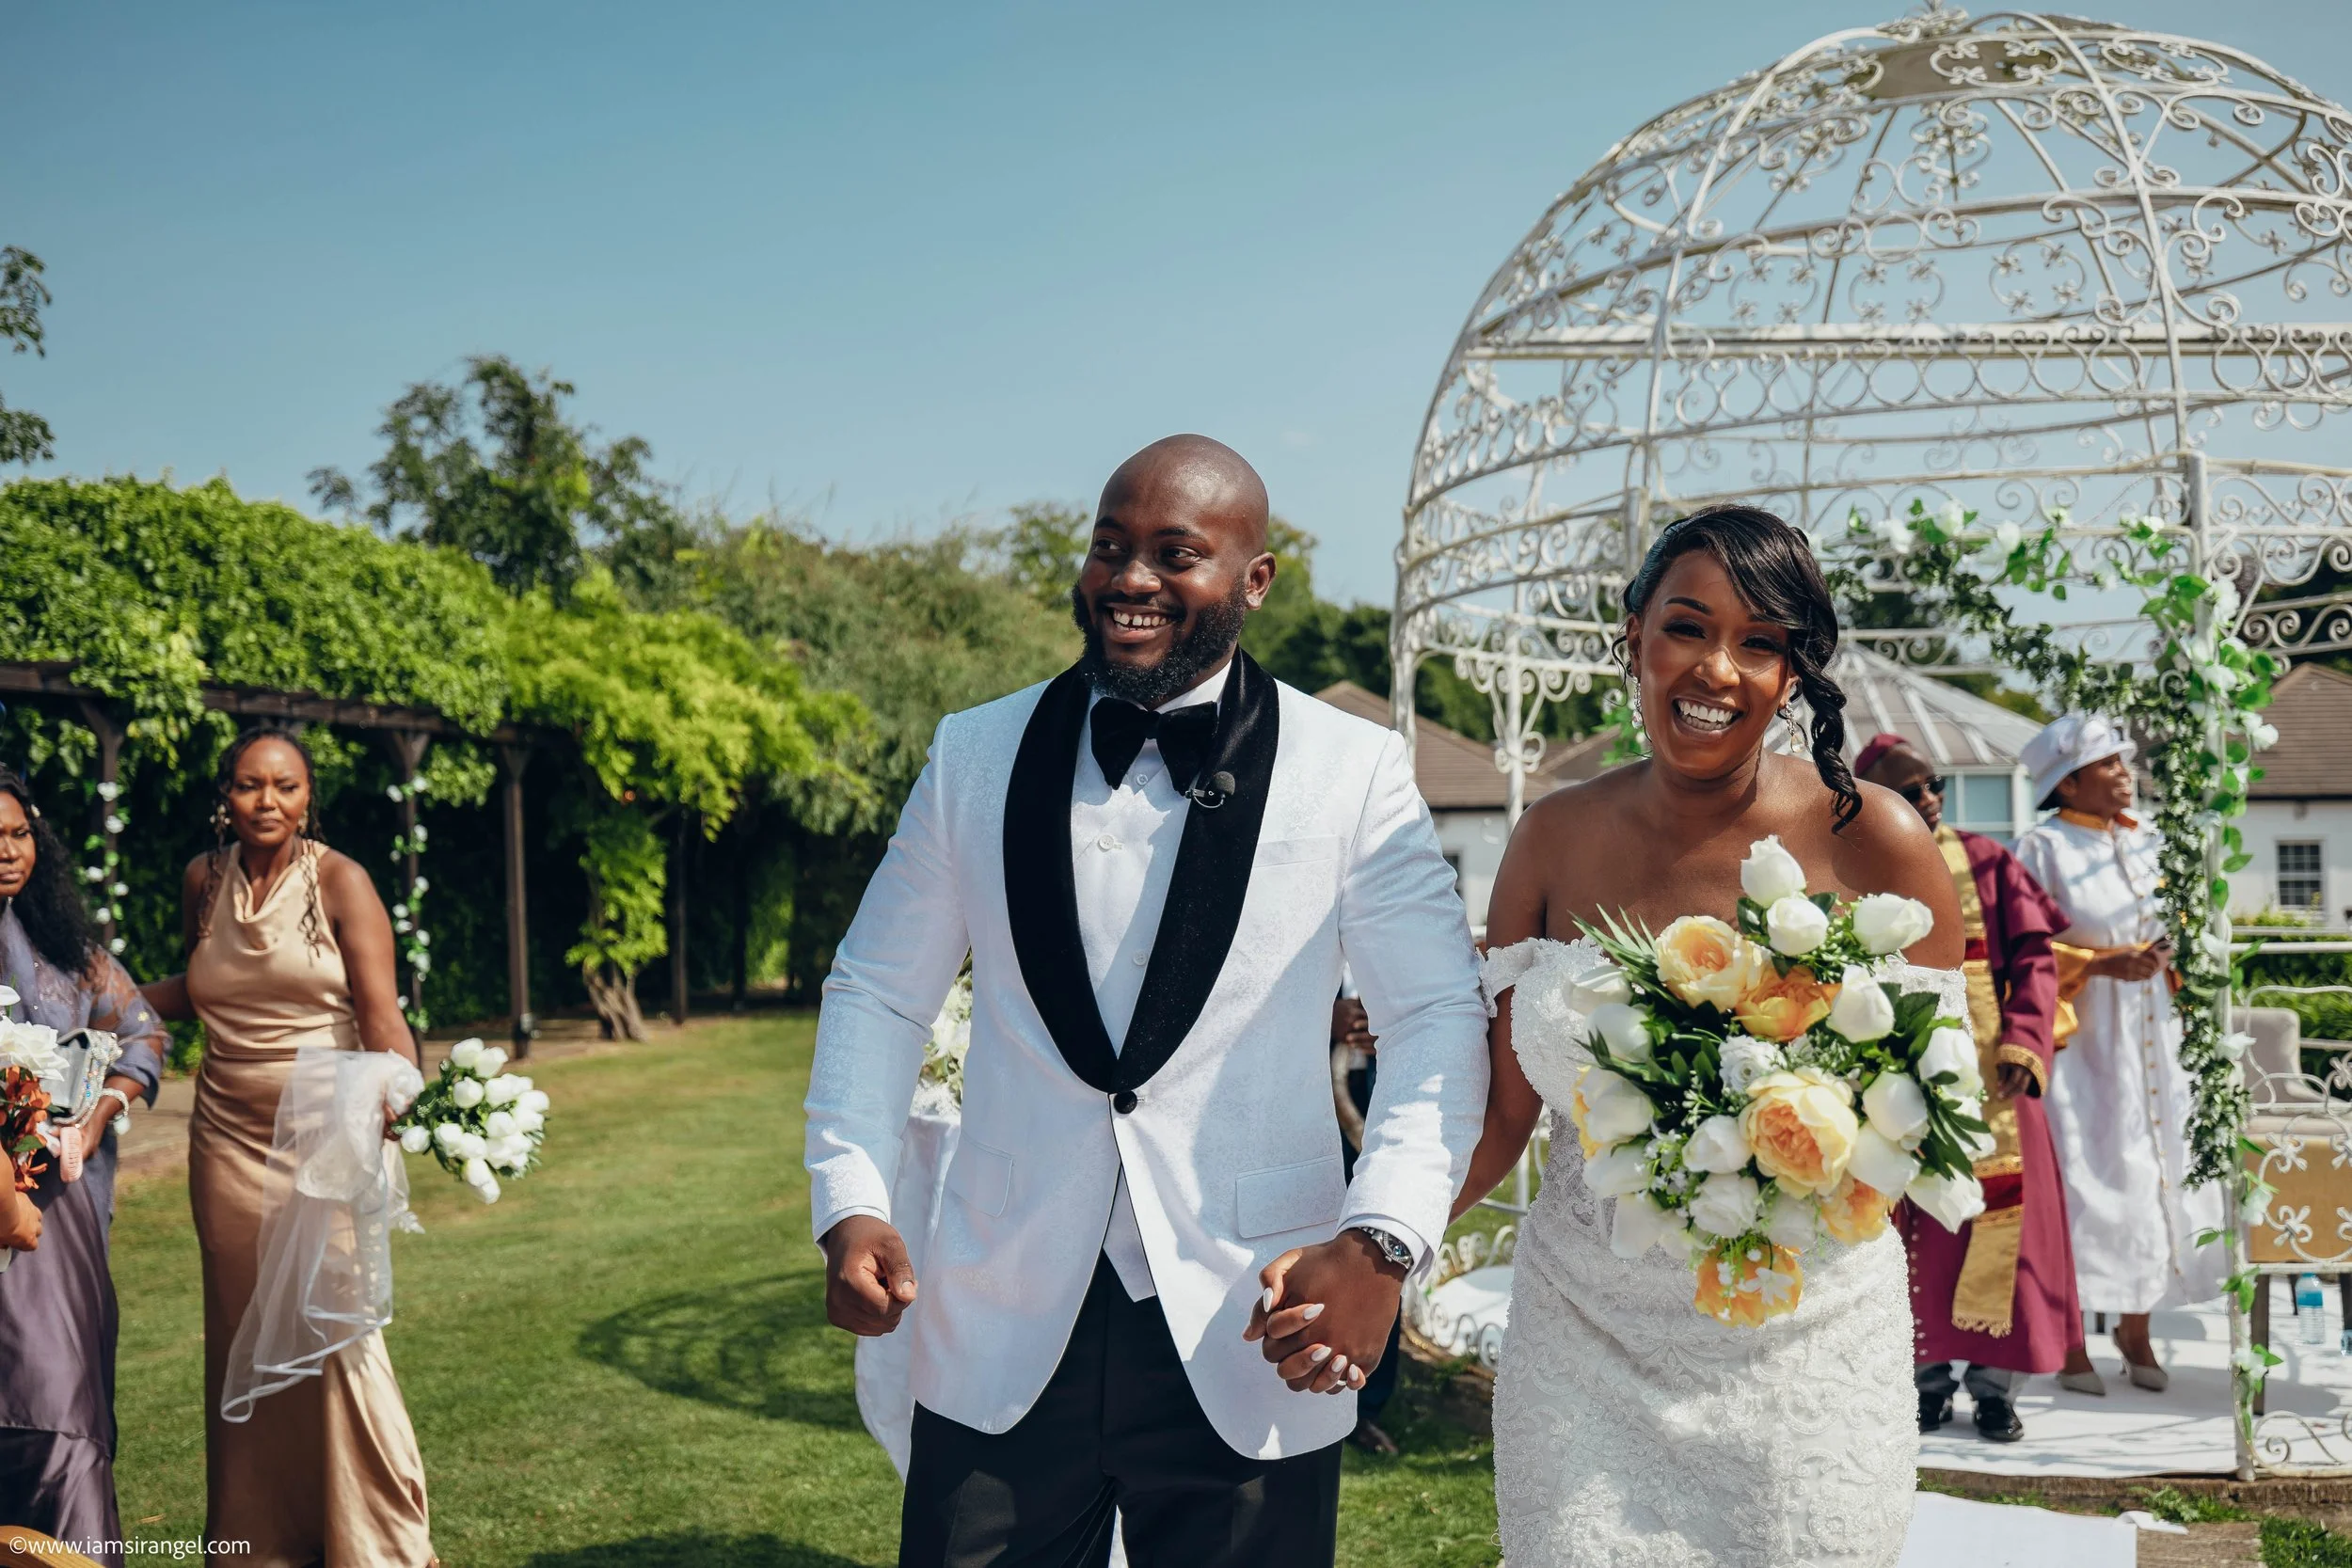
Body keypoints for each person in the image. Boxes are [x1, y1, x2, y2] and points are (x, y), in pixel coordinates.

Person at [805, 434, 1488, 1567]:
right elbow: (877, 989)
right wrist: (851, 1193)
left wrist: (1380, 1243)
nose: (1129, 578)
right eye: (1110, 546)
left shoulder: (1352, 768)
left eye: (1175, 553)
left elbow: (1434, 1018)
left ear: (1254, 580)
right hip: (1002, 1310)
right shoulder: (971, 755)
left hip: (1254, 1318)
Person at [1440, 508, 1966, 1566]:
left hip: (1806, 1349)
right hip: (1582, 1342)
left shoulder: (1879, 839)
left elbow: (1937, 1106)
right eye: (1687, 626)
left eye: (1760, 641)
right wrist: (1369, 1243)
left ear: (1791, 670)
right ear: (1631, 632)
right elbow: (1499, 1114)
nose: (1717, 669)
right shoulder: (1550, 836)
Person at [141, 726, 436, 1567]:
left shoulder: (341, 880)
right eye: (248, 785)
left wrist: (398, 1093)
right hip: (225, 1145)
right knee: (240, 1339)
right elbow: (200, 990)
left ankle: (377, 1540)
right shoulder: (203, 880)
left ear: (309, 796)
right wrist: (89, 994)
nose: (266, 801)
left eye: (286, 786)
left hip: (322, 1141)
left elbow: (383, 1015)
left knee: (336, 1337)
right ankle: (257, 1543)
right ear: (223, 795)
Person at [1855, 736, 2082, 1442]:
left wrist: (2023, 1040)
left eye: (1933, 785)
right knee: (1910, 1233)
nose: (1927, 800)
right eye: (1909, 789)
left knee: (2001, 1231)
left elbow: (2036, 961)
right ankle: (1924, 1383)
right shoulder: (1854, 869)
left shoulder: (1988, 862)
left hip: (1994, 1083)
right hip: (1893, 1082)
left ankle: (1993, 1389)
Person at [2013, 714, 2225, 1393]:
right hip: (2085, 1041)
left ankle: (2137, 1326)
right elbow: (2022, 946)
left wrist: (2170, 953)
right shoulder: (2039, 849)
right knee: (2088, 1177)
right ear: (2069, 780)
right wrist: (2103, 963)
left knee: (2152, 1169)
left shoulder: (2150, 844)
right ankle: (2072, 1337)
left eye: (2124, 761)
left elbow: (2180, 922)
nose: (2125, 772)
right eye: (2109, 763)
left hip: (2154, 1034)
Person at [0, 768, 167, 1566]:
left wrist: (105, 1109)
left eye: (18, 834)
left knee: (57, 1389)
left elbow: (142, 1032)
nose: (6, 852)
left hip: (57, 1221)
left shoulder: (69, 953)